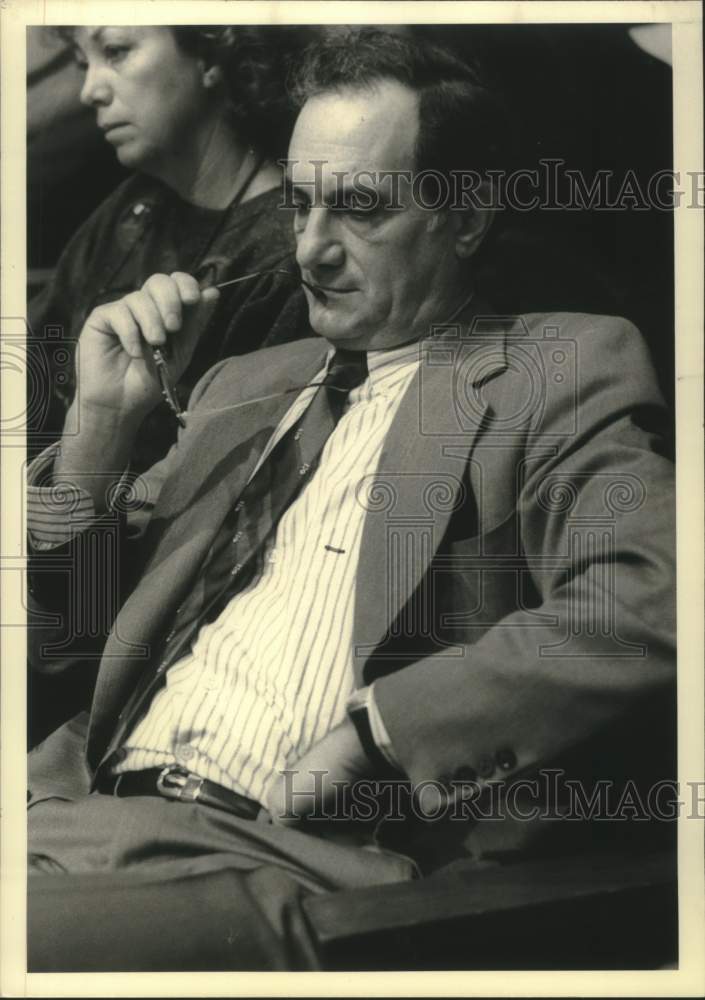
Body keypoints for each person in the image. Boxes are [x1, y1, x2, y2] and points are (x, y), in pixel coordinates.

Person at [26, 29, 676, 971]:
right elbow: (70, 640)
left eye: (360, 209)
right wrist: (97, 426)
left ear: (464, 218)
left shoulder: (559, 366)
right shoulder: (241, 387)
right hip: (72, 815)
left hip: (287, 862)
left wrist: (380, 732)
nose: (311, 249)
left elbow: (655, 598)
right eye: (299, 204)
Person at [27, 25, 313, 472]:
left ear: (211, 54)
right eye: (84, 63)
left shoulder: (286, 254)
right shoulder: (135, 203)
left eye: (115, 51)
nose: (89, 91)